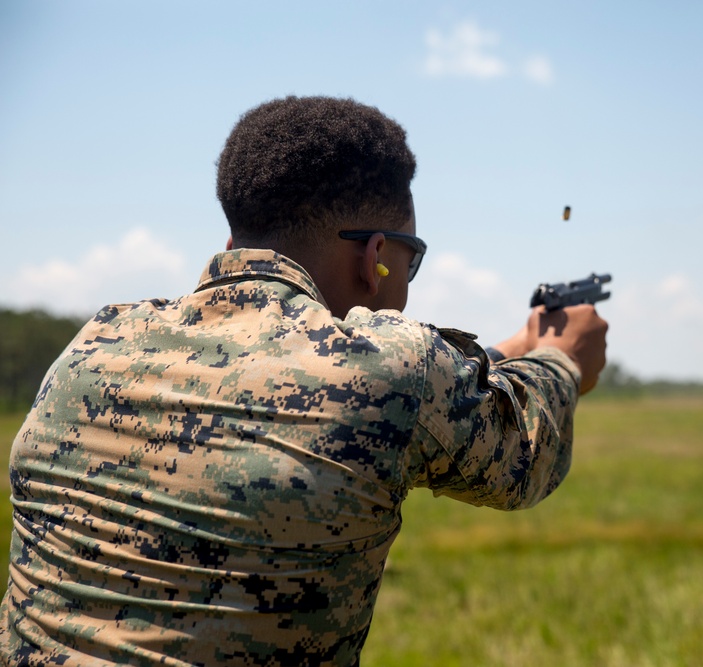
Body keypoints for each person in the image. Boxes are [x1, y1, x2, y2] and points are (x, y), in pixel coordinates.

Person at [1, 96, 608, 666]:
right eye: (411, 258)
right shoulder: (395, 368)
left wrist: (516, 346)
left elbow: (311, 380)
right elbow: (524, 456)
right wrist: (560, 357)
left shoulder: (98, 340)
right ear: (374, 256)